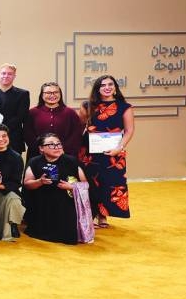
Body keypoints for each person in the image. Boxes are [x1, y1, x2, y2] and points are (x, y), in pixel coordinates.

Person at [81, 75, 135, 227]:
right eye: (103, 85)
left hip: (114, 153)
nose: (107, 87)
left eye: (110, 84)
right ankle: (91, 215)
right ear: (97, 88)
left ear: (115, 87)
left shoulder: (124, 106)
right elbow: (80, 127)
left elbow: (129, 131)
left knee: (110, 183)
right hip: (89, 153)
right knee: (92, 183)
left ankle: (103, 217)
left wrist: (119, 148)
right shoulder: (87, 105)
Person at [24, 133, 88, 245]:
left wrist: (71, 186)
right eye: (52, 145)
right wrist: (39, 182)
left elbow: (86, 185)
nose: (57, 147)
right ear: (41, 148)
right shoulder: (34, 162)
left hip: (65, 205)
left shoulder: (72, 161)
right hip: (42, 204)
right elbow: (27, 184)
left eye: (59, 144)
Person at [25, 82, 83, 158]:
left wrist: (61, 150)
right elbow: (28, 134)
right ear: (42, 95)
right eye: (48, 93)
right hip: (38, 156)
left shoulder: (70, 112)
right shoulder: (32, 112)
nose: (52, 95)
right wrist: (41, 149)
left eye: (56, 92)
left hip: (65, 155)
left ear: (60, 94)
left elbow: (76, 134)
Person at [0, 63, 30, 155]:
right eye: (3, 73)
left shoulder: (23, 94)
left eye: (10, 74)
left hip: (13, 137)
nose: (6, 76)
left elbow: (21, 116)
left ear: (14, 76)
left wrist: (1, 130)